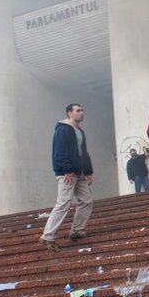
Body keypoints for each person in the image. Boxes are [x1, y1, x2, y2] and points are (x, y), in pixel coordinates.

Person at [40, 103, 95, 252]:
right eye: (78, 111)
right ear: (69, 114)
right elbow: (60, 151)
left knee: (86, 201)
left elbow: (84, 152)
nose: (81, 113)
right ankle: (48, 236)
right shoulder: (63, 130)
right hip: (67, 174)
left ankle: (77, 231)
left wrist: (89, 171)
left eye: (82, 110)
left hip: (79, 172)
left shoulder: (79, 130)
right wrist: (67, 170)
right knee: (64, 203)